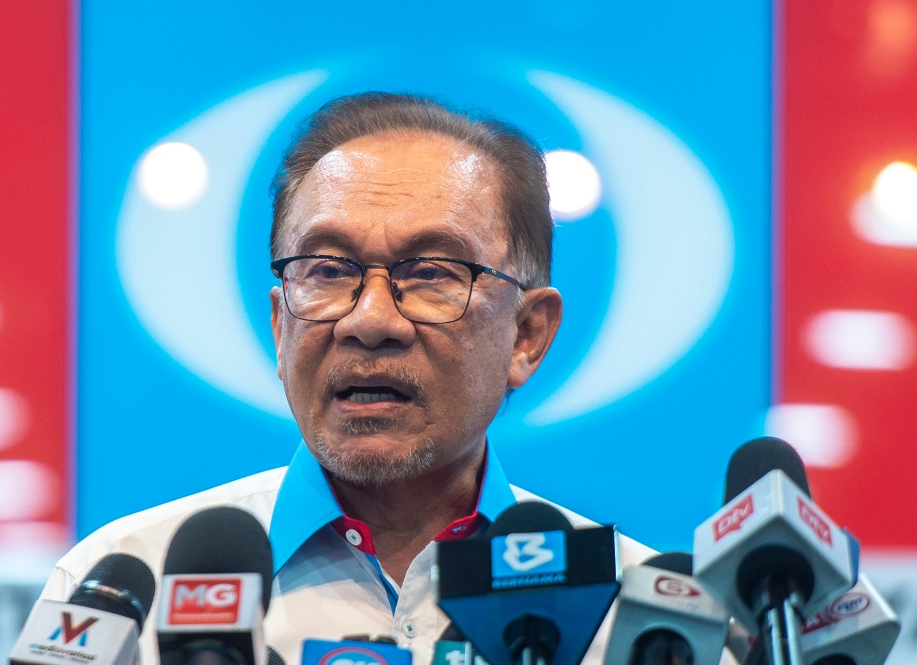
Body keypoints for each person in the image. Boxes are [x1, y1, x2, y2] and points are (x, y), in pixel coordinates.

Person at [38, 93, 657, 665]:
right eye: (329, 269)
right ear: (282, 329)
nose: (370, 320)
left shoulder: (646, 625)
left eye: (432, 272)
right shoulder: (117, 592)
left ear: (527, 335)